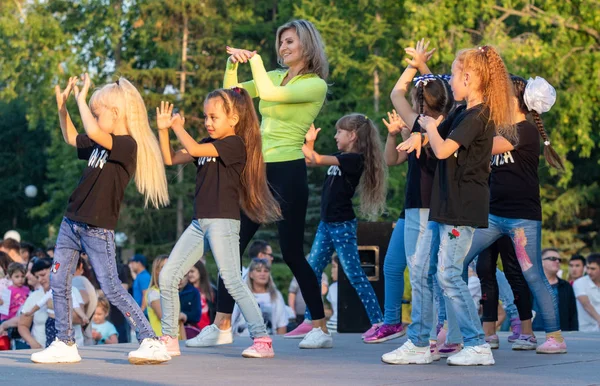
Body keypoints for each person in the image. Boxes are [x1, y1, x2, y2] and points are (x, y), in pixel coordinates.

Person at [385, 45, 516, 366]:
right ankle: (418, 342)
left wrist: (428, 130)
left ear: (468, 78)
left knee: (448, 275)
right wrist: (420, 136)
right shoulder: (460, 111)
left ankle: (476, 343)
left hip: (461, 208)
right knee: (421, 270)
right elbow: (436, 134)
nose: (451, 80)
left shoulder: (479, 116)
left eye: (455, 74)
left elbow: (443, 150)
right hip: (442, 206)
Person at [31, 75, 171, 364]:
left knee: (111, 288)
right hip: (71, 222)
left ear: (116, 114)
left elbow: (94, 133)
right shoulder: (97, 145)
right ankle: (65, 342)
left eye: (97, 113)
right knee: (58, 279)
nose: (92, 118)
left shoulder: (126, 145)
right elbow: (72, 137)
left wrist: (81, 98)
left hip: (97, 229)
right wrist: (63, 109)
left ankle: (151, 340)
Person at [216, 20, 330, 346]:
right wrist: (232, 64)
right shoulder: (277, 76)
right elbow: (231, 97)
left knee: (293, 253)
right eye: (281, 43)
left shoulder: (314, 85)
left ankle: (320, 329)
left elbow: (269, 94)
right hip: (259, 171)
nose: (283, 48)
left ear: (306, 45)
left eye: (289, 41)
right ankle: (222, 327)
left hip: (288, 172)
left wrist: (253, 58)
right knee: (233, 245)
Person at [156, 89, 281, 359]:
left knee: (233, 281)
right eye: (205, 117)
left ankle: (262, 339)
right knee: (167, 276)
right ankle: (169, 339)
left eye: (214, 116)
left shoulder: (234, 144)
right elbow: (170, 158)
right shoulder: (204, 143)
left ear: (233, 118)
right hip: (200, 223)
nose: (208, 122)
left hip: (223, 222)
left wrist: (178, 126)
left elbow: (194, 149)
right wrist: (164, 130)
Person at [454, 74, 567, 355]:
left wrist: (463, 130)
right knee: (456, 261)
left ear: (514, 99)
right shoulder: (501, 128)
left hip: (521, 219)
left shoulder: (524, 130)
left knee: (533, 276)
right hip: (492, 216)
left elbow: (484, 149)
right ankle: (461, 330)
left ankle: (555, 337)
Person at [370, 40, 455, 347]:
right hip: (418, 204)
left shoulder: (447, 123)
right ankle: (436, 331)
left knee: (430, 273)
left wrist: (417, 66)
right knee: (427, 272)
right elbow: (401, 95)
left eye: (420, 98)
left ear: (425, 102)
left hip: (430, 205)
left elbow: (397, 93)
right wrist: (419, 67)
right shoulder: (425, 122)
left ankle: (438, 331)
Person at [286, 112, 387, 347]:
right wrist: (309, 142)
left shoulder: (354, 160)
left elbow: (315, 158)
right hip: (326, 224)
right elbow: (310, 159)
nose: (335, 136)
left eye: (339, 132)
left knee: (354, 275)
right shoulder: (341, 156)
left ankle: (378, 322)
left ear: (352, 136)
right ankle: (311, 320)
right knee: (311, 270)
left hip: (341, 225)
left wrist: (295, 137)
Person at [232, 258, 289, 336]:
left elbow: (282, 324)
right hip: (241, 340)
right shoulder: (241, 295)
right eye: (258, 270)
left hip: (268, 340)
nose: (263, 274)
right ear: (251, 274)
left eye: (266, 271)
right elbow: (231, 320)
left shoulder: (276, 295)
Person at [532, 249, 578, 331]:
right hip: (532, 335)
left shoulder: (566, 286)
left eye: (559, 260)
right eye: (552, 258)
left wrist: (573, 334)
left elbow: (573, 315)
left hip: (559, 337)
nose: (557, 261)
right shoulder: (530, 285)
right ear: (541, 262)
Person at [18, 259, 53, 349]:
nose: (40, 280)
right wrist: (32, 342)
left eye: (43, 275)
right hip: (41, 350)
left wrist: (54, 310)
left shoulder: (71, 291)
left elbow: (79, 319)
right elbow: (23, 325)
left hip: (69, 350)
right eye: (37, 277)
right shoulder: (34, 296)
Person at [573, 254, 600, 332]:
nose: (589, 271)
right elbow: (586, 304)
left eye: (593, 269)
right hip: (587, 331)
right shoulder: (579, 283)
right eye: (587, 268)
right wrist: (599, 319)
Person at [188, 260, 215, 331]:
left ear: (200, 271)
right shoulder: (185, 291)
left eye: (192, 271)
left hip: (209, 331)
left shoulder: (212, 291)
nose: (189, 274)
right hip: (192, 330)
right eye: (187, 272)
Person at [146, 255, 168, 337]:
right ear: (156, 271)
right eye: (163, 267)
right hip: (160, 339)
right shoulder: (154, 293)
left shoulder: (172, 292)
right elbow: (163, 318)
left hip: (175, 340)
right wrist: (182, 316)